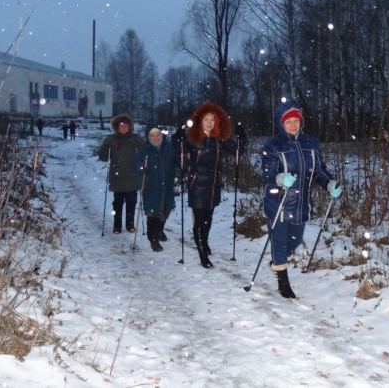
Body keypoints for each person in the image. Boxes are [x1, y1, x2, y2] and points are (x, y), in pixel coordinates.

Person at [261, 100, 342, 300]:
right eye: (289, 122)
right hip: (279, 202)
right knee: (279, 243)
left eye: (296, 120)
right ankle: (283, 282)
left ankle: (277, 265)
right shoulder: (273, 146)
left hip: (301, 204)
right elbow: (268, 173)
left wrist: (330, 184)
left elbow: (319, 171)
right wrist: (281, 178)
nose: (293, 125)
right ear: (281, 123)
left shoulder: (311, 144)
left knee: (294, 242)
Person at [172, 101, 246, 269]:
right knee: (199, 220)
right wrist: (177, 141)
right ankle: (202, 255)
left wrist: (241, 137)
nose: (209, 123)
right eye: (206, 119)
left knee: (209, 218)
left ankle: (204, 242)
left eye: (212, 119)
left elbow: (237, 152)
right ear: (200, 121)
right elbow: (180, 161)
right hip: (197, 183)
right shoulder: (192, 138)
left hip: (214, 184)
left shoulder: (219, 139)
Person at [98, 115, 143, 233]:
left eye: (126, 126)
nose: (123, 128)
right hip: (117, 176)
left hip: (132, 176)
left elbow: (144, 153)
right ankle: (117, 225)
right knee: (117, 203)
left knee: (131, 202)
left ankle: (130, 224)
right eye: (121, 126)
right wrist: (106, 145)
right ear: (117, 127)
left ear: (130, 127)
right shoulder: (112, 140)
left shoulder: (135, 140)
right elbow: (103, 157)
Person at [136, 127, 178, 252]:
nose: (155, 138)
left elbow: (177, 160)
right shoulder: (144, 149)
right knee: (153, 213)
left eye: (157, 135)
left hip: (167, 184)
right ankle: (153, 238)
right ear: (148, 137)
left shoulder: (168, 147)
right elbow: (137, 162)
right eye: (152, 136)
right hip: (151, 185)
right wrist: (140, 167)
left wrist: (184, 161)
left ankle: (159, 230)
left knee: (165, 210)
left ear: (162, 135)